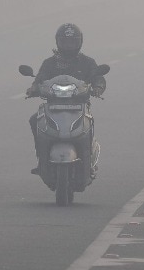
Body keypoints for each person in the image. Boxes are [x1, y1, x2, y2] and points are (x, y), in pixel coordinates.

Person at [26, 23, 106, 174]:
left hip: (78, 106)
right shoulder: (50, 63)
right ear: (58, 42)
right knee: (33, 119)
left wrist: (98, 88)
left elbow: (98, 78)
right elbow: (40, 79)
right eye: (65, 42)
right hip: (53, 106)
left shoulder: (87, 62)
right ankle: (41, 160)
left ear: (79, 42)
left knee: (89, 122)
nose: (68, 46)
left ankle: (88, 161)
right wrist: (33, 89)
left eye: (72, 42)